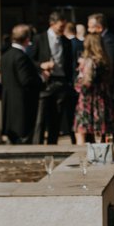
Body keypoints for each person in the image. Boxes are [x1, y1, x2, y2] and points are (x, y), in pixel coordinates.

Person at [31, 10, 72, 145]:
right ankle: (37, 144)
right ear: (52, 24)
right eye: (60, 26)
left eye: (64, 26)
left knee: (57, 115)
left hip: (61, 80)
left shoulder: (66, 41)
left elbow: (69, 62)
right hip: (46, 81)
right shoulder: (39, 38)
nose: (62, 29)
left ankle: (52, 143)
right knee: (41, 115)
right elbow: (30, 60)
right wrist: (41, 66)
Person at [1, 24, 42, 145]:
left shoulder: (5, 56)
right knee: (24, 141)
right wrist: (41, 79)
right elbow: (26, 81)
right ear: (27, 39)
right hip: (22, 107)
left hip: (9, 106)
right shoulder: (21, 56)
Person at [74, 33, 114, 144]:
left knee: (81, 131)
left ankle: (80, 156)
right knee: (100, 132)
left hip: (88, 101)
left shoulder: (89, 61)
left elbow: (86, 82)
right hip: (102, 100)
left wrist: (78, 80)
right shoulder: (105, 61)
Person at [60, 20, 84, 137]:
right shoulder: (82, 44)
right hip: (81, 81)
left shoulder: (67, 44)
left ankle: (73, 135)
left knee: (71, 112)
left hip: (71, 82)